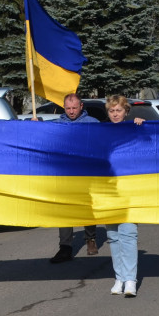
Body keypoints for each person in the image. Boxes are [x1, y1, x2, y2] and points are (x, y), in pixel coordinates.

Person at [49, 94, 100, 263]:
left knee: (87, 208)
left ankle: (90, 239)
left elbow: (106, 142)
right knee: (65, 210)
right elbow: (42, 140)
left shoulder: (92, 124)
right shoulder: (56, 125)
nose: (71, 111)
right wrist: (36, 127)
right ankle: (65, 247)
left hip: (86, 175)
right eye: (68, 108)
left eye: (74, 108)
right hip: (64, 175)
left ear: (81, 106)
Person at [103, 95, 144, 296]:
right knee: (113, 236)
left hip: (130, 191)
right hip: (109, 191)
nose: (115, 114)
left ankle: (130, 280)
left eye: (118, 110)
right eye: (112, 111)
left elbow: (150, 145)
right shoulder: (101, 132)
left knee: (128, 233)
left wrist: (142, 127)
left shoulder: (134, 129)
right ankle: (119, 278)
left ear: (126, 111)